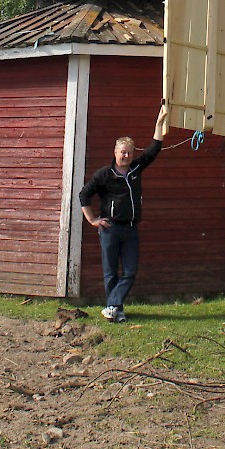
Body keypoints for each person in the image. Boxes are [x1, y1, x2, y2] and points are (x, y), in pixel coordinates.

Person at [79, 104, 167, 323]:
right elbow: (84, 195)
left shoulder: (136, 170)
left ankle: (112, 306)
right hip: (109, 229)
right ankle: (116, 311)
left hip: (130, 229)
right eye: (122, 152)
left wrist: (160, 121)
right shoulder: (104, 175)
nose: (126, 156)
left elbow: (153, 149)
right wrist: (92, 220)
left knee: (129, 271)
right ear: (115, 153)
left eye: (129, 152)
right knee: (110, 273)